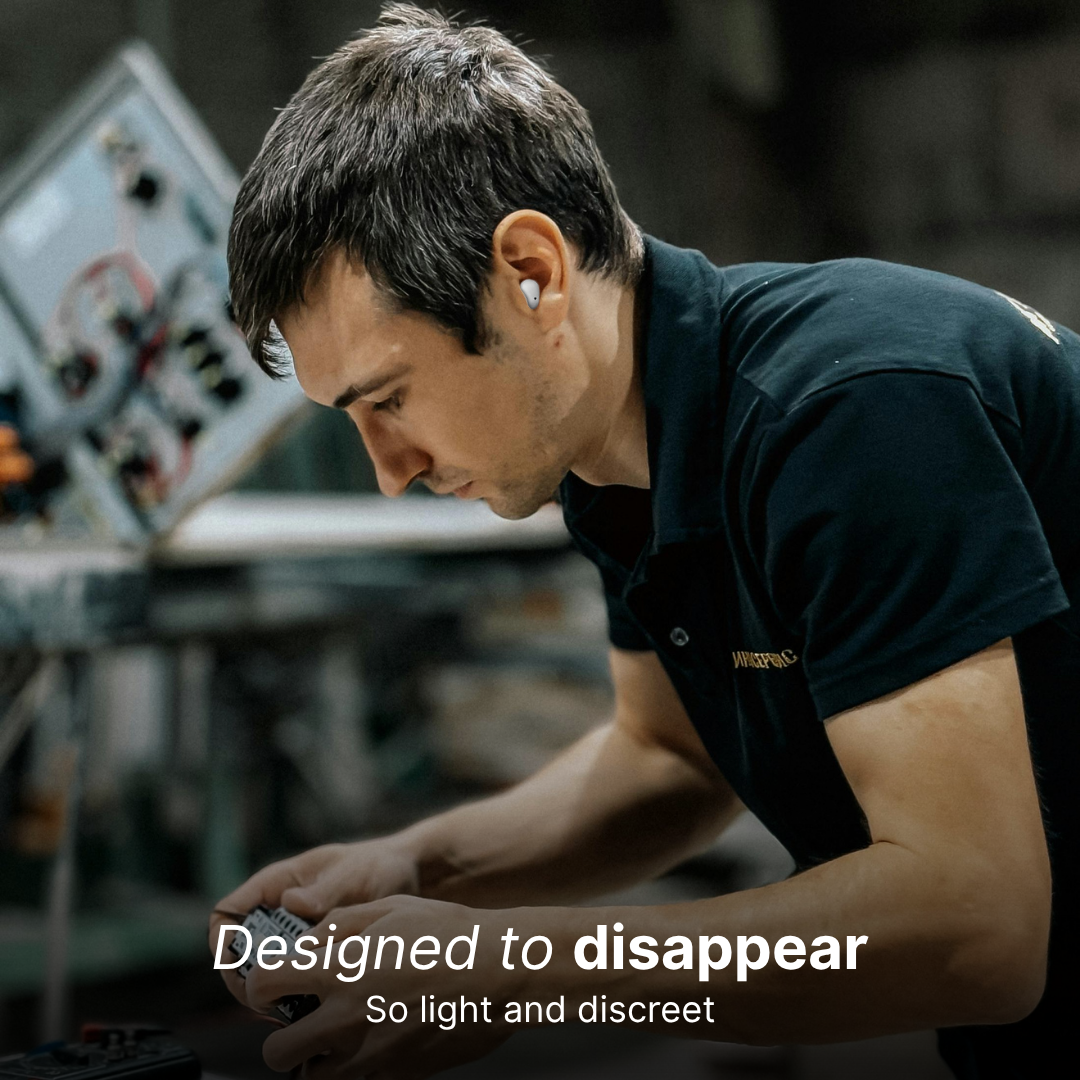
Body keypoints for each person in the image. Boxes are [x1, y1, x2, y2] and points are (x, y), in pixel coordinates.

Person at [212, 5, 1079, 1078]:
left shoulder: (853, 412)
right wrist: (418, 866)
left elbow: (976, 926)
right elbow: (669, 760)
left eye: (388, 397)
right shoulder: (616, 463)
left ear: (530, 271)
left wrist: (523, 972)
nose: (390, 472)